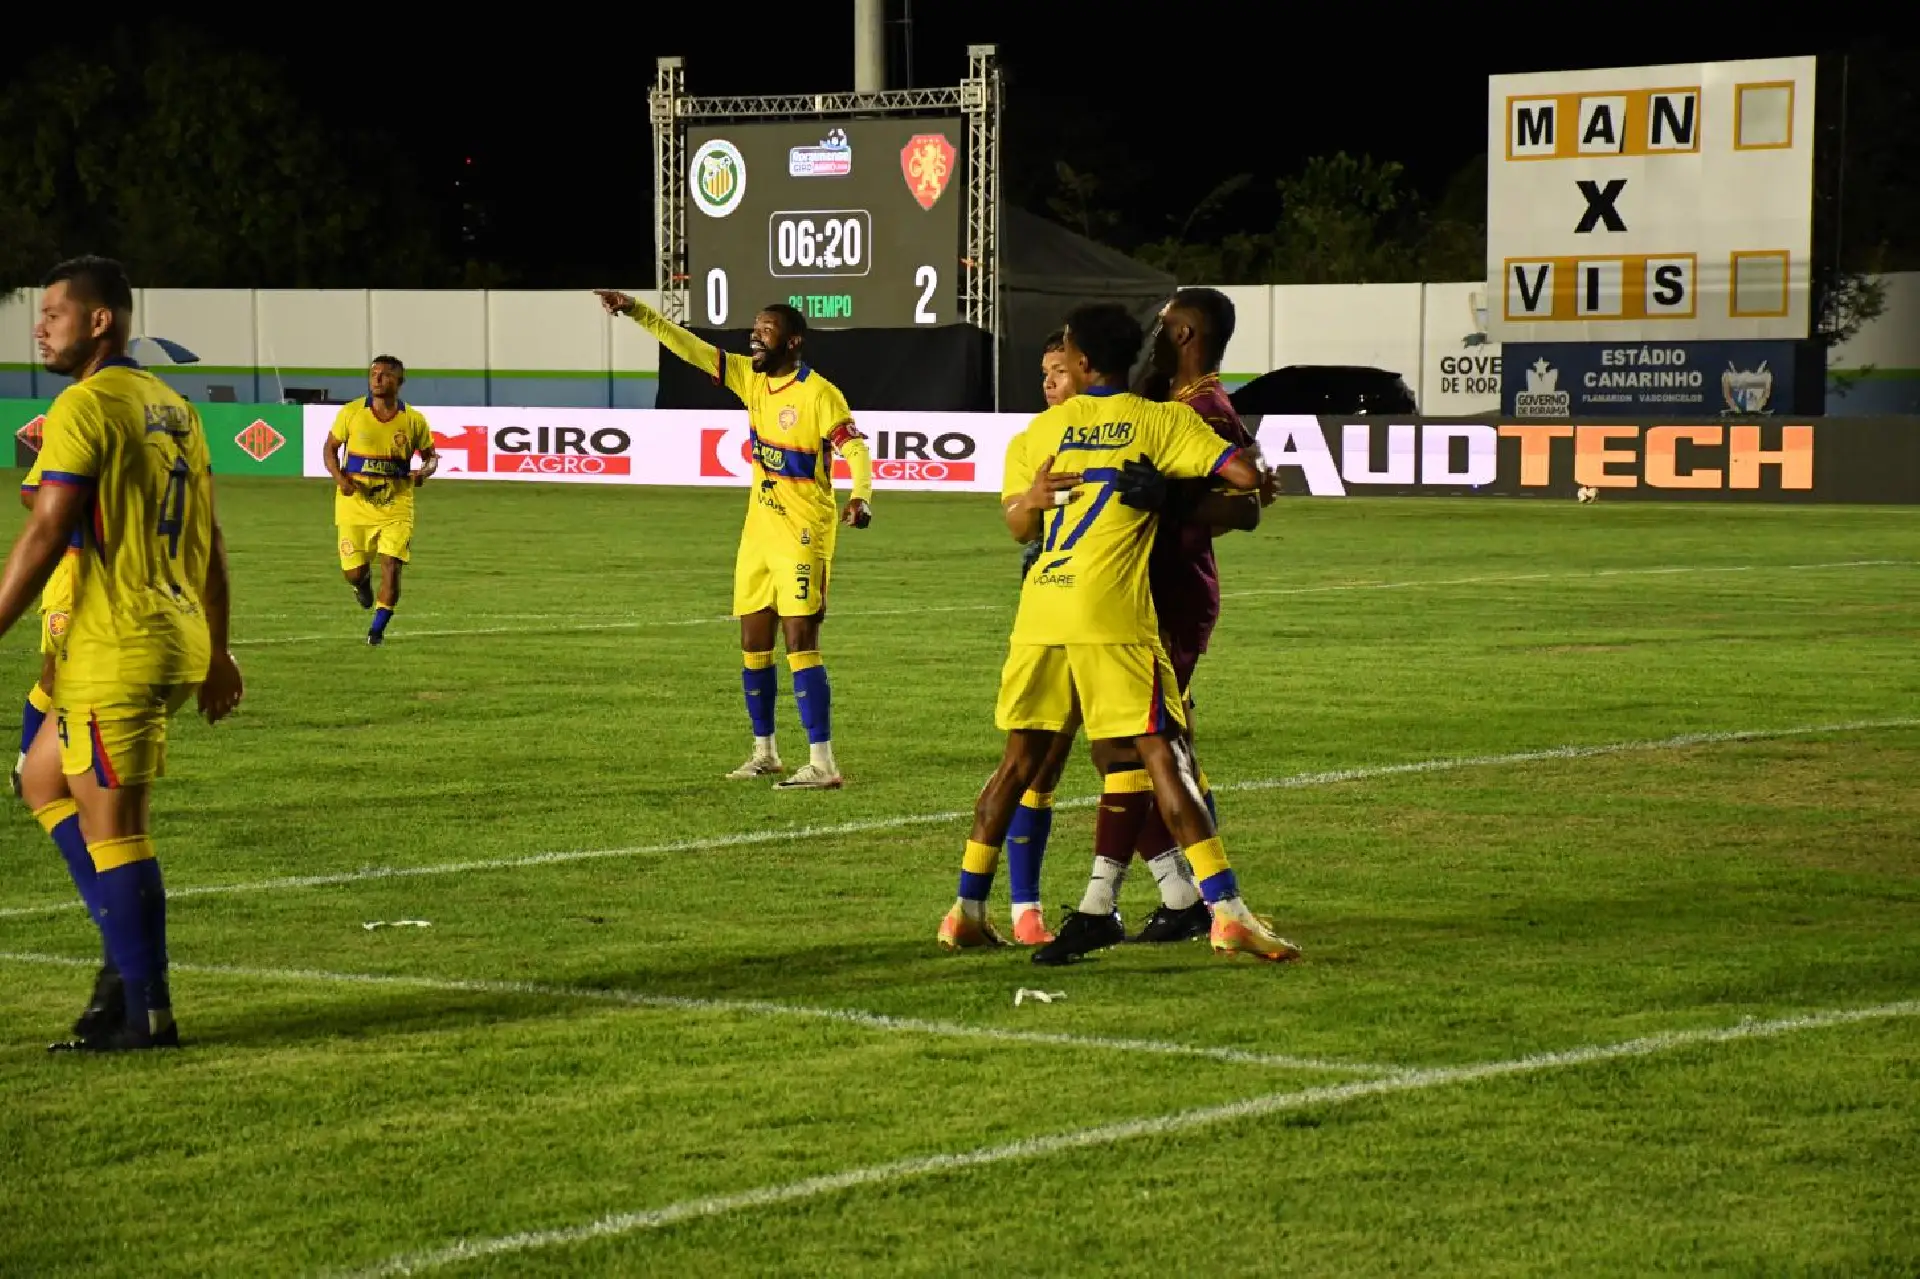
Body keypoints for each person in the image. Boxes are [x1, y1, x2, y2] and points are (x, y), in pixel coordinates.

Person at [937, 301, 1298, 964]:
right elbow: (1246, 479)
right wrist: (1232, 478)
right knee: (1165, 754)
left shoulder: (1040, 433)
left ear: (1079, 359)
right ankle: (1226, 912)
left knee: (1020, 762)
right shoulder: (1160, 420)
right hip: (1113, 614)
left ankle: (966, 910)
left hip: (1041, 611)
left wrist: (1034, 500)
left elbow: (1018, 524)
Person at [0, 255, 244, 1051]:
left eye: (55, 313)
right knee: (41, 778)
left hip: (119, 644)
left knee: (116, 831)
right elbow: (209, 538)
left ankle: (145, 1010)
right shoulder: (173, 406)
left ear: (100, 320)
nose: (40, 327)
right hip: (171, 633)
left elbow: (47, 529)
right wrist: (219, 649)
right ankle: (122, 951)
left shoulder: (85, 403)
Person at [1032, 287, 1279, 965]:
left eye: (1165, 325)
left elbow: (1248, 506)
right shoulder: (1158, 401)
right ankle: (1184, 895)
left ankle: (1170, 900)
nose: (1154, 334)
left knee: (1145, 749)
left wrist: (1168, 499)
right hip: (1124, 592)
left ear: (1186, 334)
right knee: (1147, 748)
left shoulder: (1205, 408)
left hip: (1169, 591)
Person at [594, 290, 873, 789]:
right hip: (758, 535)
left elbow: (853, 447)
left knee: (800, 640)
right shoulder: (750, 378)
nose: (755, 337)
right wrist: (637, 310)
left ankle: (823, 762)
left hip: (803, 535)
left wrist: (861, 496)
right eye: (754, 328)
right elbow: (688, 346)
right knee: (753, 642)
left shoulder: (819, 393)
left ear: (793, 341)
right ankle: (765, 753)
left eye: (766, 330)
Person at [321, 356, 438, 646]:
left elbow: (431, 457)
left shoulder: (413, 420)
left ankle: (376, 631)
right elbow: (330, 449)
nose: (377, 379)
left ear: (399, 381)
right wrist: (340, 479)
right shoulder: (351, 412)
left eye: (385, 374)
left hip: (396, 504)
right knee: (353, 572)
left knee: (391, 566)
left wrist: (424, 472)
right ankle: (361, 584)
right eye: (373, 373)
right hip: (355, 506)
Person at [12, 465, 78, 795]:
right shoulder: (71, 442)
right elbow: (29, 491)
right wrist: (67, 516)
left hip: (112, 580)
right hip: (70, 578)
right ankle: (26, 767)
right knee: (55, 678)